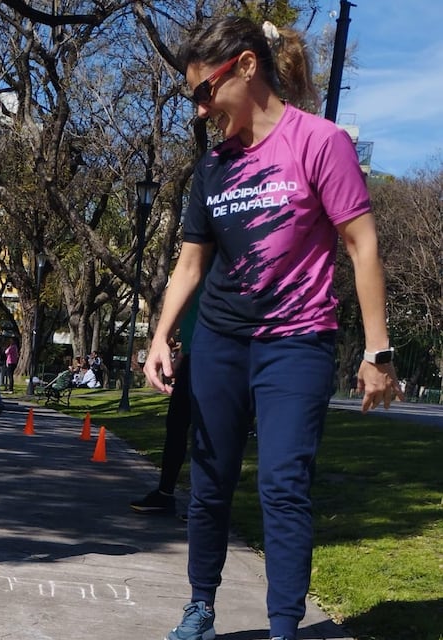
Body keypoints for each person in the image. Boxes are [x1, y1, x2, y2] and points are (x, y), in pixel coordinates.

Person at [143, 18, 402, 640]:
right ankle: (200, 604)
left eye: (205, 92)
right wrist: (159, 337)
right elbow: (190, 263)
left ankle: (283, 626)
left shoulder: (319, 142)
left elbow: (361, 246)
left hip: (298, 341)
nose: (201, 110)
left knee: (284, 486)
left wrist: (378, 350)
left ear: (246, 67)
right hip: (221, 345)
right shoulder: (213, 167)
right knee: (210, 485)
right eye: (193, 100)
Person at [130, 288, 201, 516]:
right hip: (193, 354)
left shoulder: (215, 264)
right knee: (176, 425)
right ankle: (165, 493)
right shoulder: (194, 273)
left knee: (208, 431)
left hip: (216, 354)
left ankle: (204, 503)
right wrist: (181, 354)